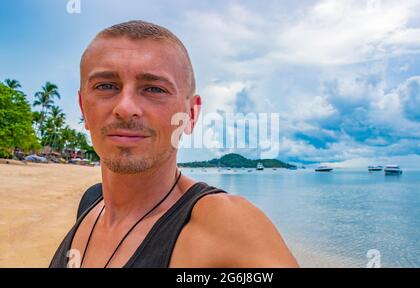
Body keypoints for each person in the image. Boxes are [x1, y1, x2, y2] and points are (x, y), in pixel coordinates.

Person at [49, 20, 298, 268]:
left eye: (154, 89)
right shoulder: (92, 200)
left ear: (190, 114)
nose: (125, 108)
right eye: (106, 86)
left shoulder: (224, 226)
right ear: (83, 106)